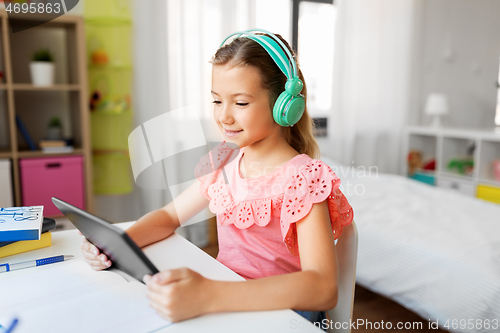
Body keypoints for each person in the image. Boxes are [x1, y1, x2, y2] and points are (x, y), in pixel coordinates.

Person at [80, 29, 353, 328]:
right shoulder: (224, 161)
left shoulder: (304, 178)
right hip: (228, 301)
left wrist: (210, 294)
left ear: (283, 106)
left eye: (241, 103)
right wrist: (121, 244)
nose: (224, 116)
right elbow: (169, 216)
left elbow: (323, 289)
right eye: (216, 101)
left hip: (284, 314)